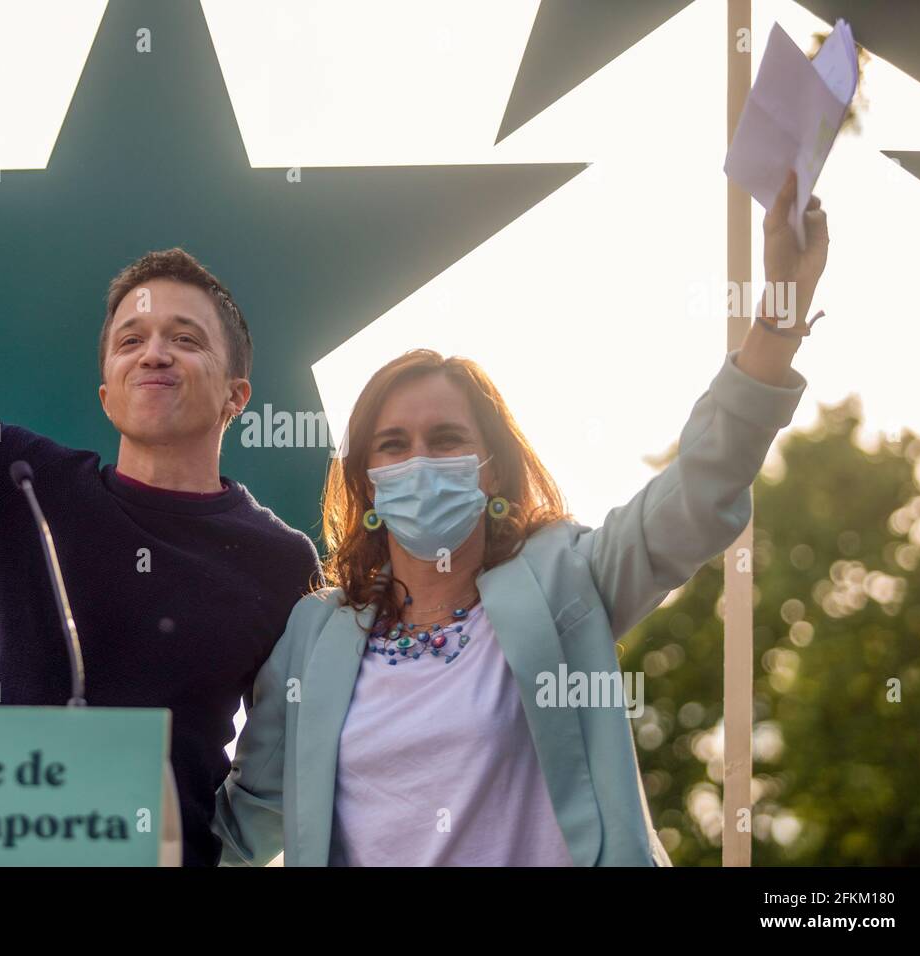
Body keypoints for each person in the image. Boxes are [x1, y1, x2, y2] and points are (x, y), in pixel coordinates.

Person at [213, 171, 828, 866]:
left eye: (446, 440)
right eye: (393, 445)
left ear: (494, 468)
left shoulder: (567, 578)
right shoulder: (312, 635)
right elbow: (242, 828)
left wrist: (777, 315)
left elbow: (698, 491)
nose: (419, 461)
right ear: (368, 485)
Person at [0, 16, 320, 867]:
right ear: (106, 391)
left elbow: (290, 769)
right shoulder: (30, 483)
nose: (153, 351)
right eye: (130, 341)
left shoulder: (283, 563)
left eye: (184, 338)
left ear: (238, 395)